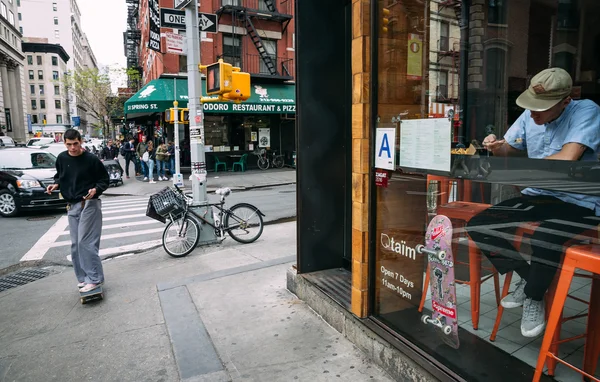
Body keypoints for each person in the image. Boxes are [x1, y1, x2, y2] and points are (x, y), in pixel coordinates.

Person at [466, 68, 600, 337]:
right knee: (480, 225)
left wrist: (519, 167)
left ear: (565, 101)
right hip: (539, 194)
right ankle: (530, 281)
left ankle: (534, 296)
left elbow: (567, 158)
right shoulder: (531, 113)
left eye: (541, 108)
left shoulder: (587, 111)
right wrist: (497, 146)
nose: (533, 113)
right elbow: (511, 149)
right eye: (531, 107)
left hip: (581, 199)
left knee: (545, 236)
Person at [46, 129, 109, 293]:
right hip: (71, 205)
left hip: (89, 203)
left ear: (81, 141)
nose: (73, 147)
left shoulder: (91, 159)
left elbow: (104, 180)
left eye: (75, 143)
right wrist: (56, 185)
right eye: (69, 144)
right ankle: (84, 278)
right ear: (64, 143)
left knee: (86, 243)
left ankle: (94, 279)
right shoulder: (62, 158)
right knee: (75, 245)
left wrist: (96, 189)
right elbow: (60, 175)